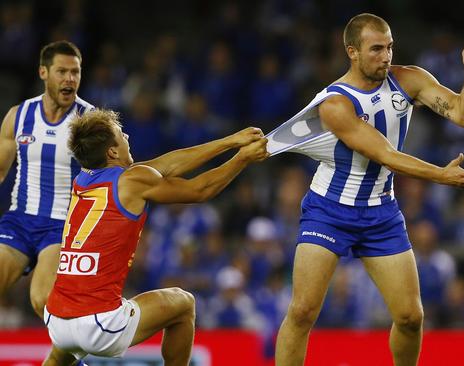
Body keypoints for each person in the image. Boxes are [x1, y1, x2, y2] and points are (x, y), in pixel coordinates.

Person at [275, 13, 464, 366]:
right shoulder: (335, 103)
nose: (386, 56)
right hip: (329, 210)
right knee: (302, 312)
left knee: (410, 317)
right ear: (352, 52)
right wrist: (441, 175)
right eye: (376, 49)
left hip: (381, 212)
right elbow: (385, 154)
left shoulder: (409, 80)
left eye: (389, 47)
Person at [42, 109, 268, 364]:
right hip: (100, 324)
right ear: (112, 152)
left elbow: (168, 164)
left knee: (62, 354)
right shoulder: (133, 180)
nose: (127, 135)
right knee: (184, 304)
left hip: (57, 320)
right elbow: (200, 190)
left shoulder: (82, 179)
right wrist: (242, 159)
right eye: (121, 134)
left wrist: (229, 141)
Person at [0, 40, 93, 320]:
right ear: (43, 73)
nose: (70, 79)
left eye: (75, 72)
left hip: (62, 228)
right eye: (62, 72)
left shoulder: (90, 122)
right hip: (19, 221)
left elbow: (121, 173)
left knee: (44, 301)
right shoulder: (19, 116)